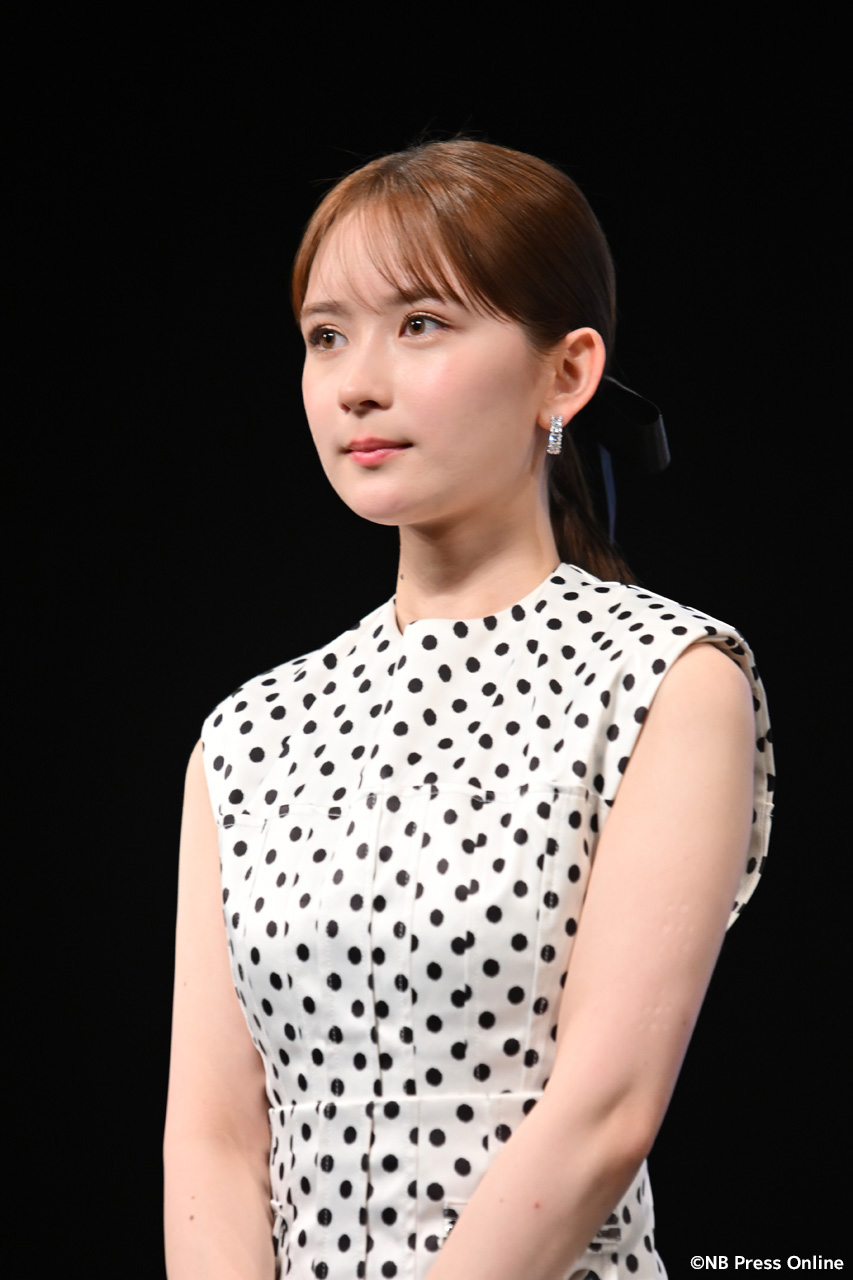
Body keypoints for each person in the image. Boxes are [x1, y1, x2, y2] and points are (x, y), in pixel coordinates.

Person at [163, 140, 774, 1280]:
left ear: (566, 374)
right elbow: (212, 1137)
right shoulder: (247, 733)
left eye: (422, 324)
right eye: (326, 335)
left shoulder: (665, 679)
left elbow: (603, 1112)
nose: (358, 383)